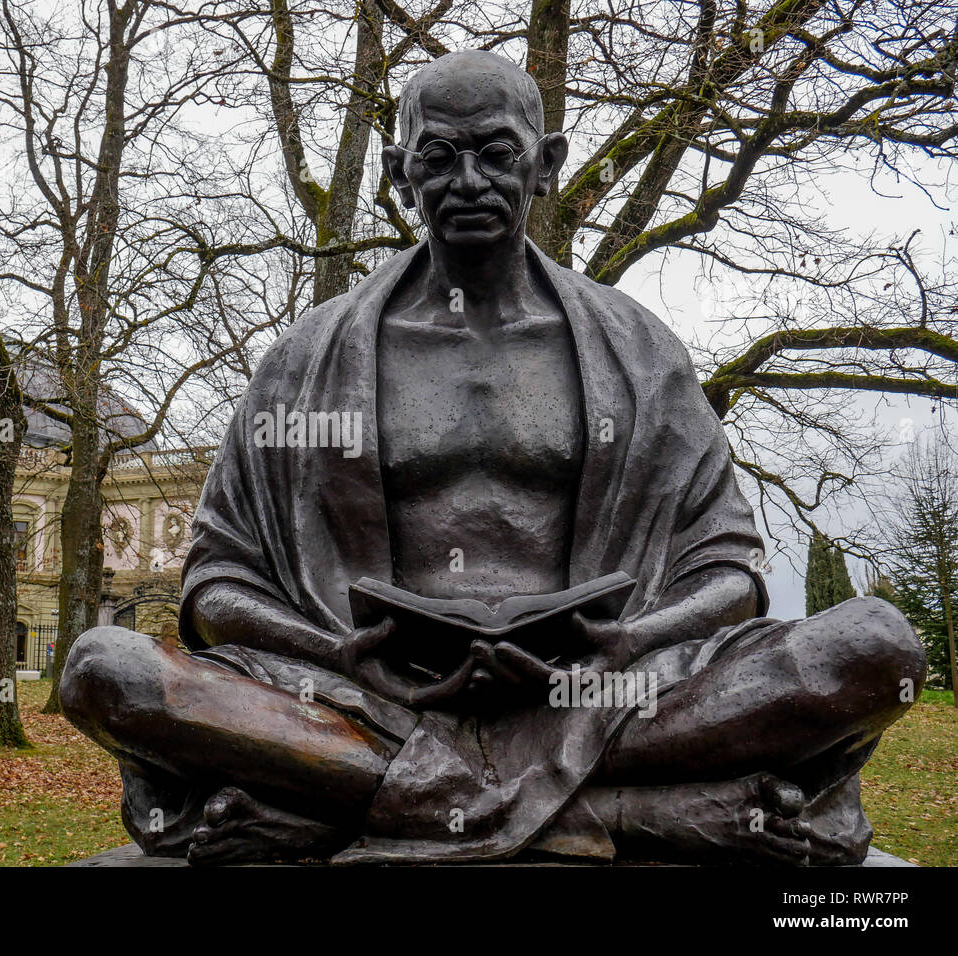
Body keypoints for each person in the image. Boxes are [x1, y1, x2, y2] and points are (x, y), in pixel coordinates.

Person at [61, 50, 923, 866]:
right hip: (366, 704)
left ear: (545, 163)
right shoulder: (307, 359)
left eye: (495, 153)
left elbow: (728, 569)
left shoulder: (639, 353)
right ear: (399, 175)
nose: (467, 182)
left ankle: (353, 805)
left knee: (876, 651)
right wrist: (345, 655)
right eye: (438, 157)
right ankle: (624, 811)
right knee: (109, 671)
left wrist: (624, 644)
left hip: (600, 699)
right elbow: (217, 584)